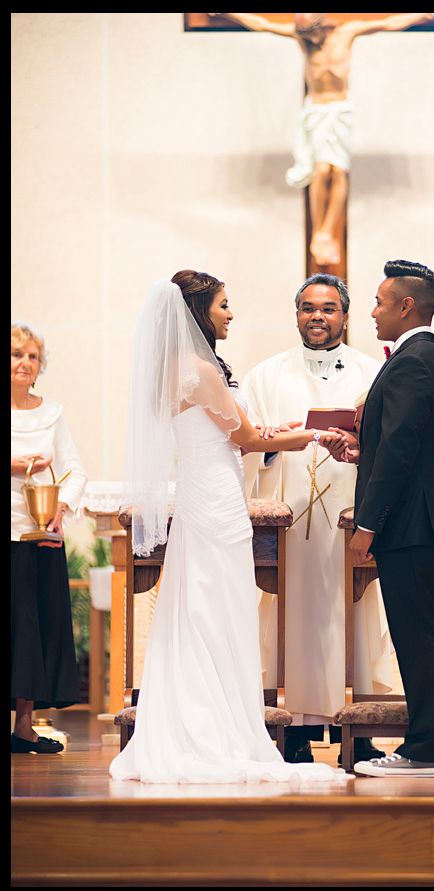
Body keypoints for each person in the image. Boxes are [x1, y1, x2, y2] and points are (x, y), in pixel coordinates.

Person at [109, 271, 349, 785]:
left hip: (203, 492)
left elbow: (233, 432)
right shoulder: (199, 368)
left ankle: (195, 717)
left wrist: (276, 430)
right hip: (218, 498)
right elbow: (240, 437)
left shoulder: (174, 368)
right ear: (198, 312)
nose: (230, 313)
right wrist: (312, 434)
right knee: (219, 606)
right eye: (223, 304)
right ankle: (217, 729)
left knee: (199, 604)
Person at [241, 273, 392, 766]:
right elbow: (250, 447)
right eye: (308, 308)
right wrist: (271, 451)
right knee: (286, 616)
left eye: (328, 309)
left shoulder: (374, 373)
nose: (317, 317)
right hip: (291, 522)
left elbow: (387, 445)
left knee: (359, 612)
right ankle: (294, 729)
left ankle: (362, 725)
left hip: (350, 519)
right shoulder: (266, 375)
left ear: (345, 316)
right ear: (297, 315)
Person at [329, 260, 434, 777]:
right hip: (412, 522)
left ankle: (427, 750)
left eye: (380, 303)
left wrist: (367, 524)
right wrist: (363, 452)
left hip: (407, 525)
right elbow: (400, 443)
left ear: (406, 306)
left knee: (418, 635)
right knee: (418, 634)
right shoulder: (420, 358)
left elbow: (404, 449)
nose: (373, 313)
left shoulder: (413, 361)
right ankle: (426, 746)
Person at [212, 13, 434, 266]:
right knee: (321, 170)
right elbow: (262, 24)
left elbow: (387, 23)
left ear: (321, 26)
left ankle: (327, 231)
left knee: (338, 170)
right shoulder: (303, 39)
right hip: (316, 111)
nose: (307, 40)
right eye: (303, 35)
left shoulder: (347, 33)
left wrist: (425, 15)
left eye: (310, 33)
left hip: (340, 110)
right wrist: (227, 14)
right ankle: (319, 230)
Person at [11, 324, 88, 753]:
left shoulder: (52, 413)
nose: (24, 363)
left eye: (32, 357)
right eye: (16, 355)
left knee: (32, 629)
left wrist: (60, 510)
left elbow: (76, 469)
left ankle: (24, 725)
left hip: (37, 536)